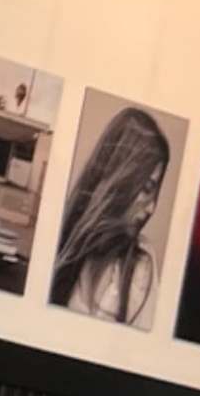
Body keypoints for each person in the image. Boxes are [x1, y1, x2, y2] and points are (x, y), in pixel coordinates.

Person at [47, 104, 171, 324]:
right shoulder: (57, 240)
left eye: (156, 192)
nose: (152, 208)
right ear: (120, 178)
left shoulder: (140, 267)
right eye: (147, 189)